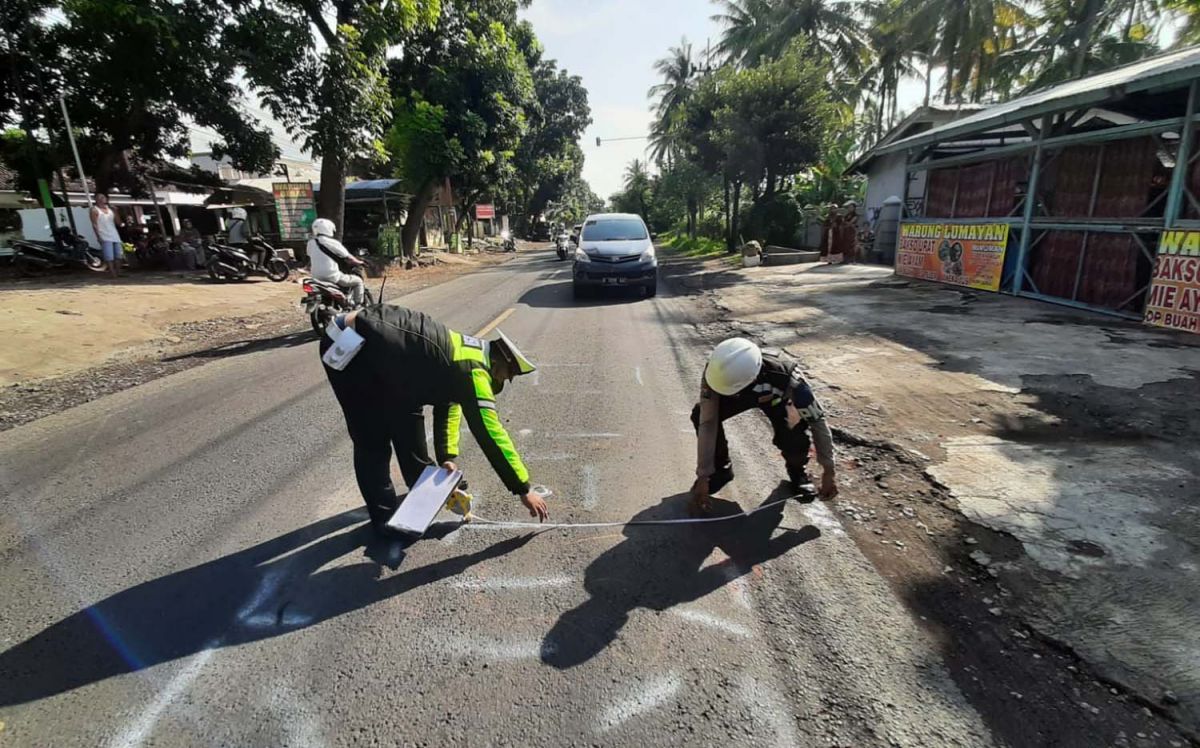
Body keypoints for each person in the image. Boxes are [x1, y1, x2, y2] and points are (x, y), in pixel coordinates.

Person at [320, 304, 549, 535]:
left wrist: (447, 457)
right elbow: (490, 433)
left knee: (408, 424)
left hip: (389, 362)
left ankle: (422, 491)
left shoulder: (470, 354)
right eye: (508, 375)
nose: (506, 381)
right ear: (501, 361)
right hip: (348, 346)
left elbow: (448, 404)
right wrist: (523, 488)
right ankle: (384, 521)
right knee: (372, 440)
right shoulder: (475, 372)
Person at [690, 337, 838, 515]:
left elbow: (817, 421)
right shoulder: (715, 373)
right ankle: (721, 470)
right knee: (700, 414)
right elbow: (708, 422)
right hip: (735, 396)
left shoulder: (789, 380)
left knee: (794, 436)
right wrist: (704, 475)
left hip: (778, 399)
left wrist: (829, 471)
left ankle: (797, 471)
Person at [307, 218, 365, 306]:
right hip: (332, 276)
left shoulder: (311, 243)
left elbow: (310, 254)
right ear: (328, 229)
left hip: (316, 277)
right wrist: (359, 262)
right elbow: (348, 257)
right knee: (358, 281)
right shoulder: (332, 242)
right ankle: (357, 305)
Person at [89, 194, 122, 278]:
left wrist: (116, 212)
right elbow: (94, 224)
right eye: (100, 198)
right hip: (104, 235)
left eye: (104, 197)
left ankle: (118, 272)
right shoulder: (94, 210)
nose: (103, 199)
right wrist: (98, 237)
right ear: (96, 199)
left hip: (114, 234)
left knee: (118, 255)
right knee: (109, 256)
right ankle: (112, 273)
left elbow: (118, 222)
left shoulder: (110, 209)